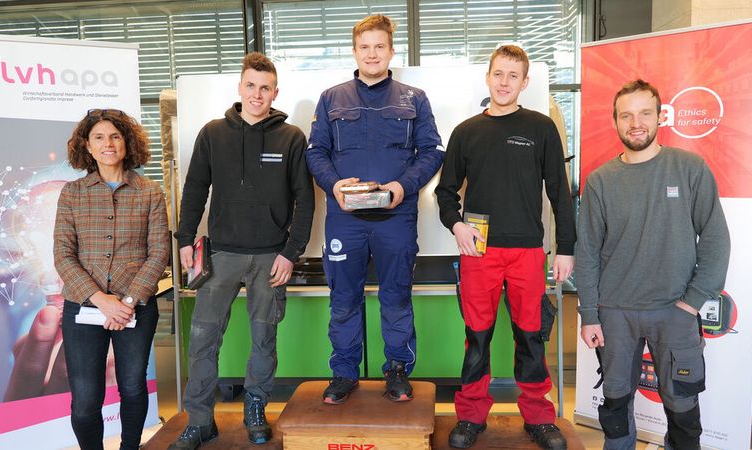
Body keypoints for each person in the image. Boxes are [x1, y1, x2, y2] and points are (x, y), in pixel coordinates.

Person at [575, 79, 730, 449]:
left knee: (682, 407)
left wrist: (691, 303)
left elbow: (716, 239)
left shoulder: (689, 168)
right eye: (626, 115)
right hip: (615, 313)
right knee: (614, 406)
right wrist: (590, 314)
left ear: (661, 116)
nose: (636, 122)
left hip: (674, 311)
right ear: (615, 121)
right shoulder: (599, 181)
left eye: (645, 113)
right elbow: (588, 254)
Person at [169, 52, 314, 449]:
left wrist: (291, 251)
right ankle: (200, 421)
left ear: (275, 92)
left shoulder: (292, 137)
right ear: (240, 87)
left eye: (265, 87)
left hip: (271, 258)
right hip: (221, 256)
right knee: (202, 338)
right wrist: (184, 239)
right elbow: (195, 189)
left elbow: (306, 199)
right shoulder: (213, 133)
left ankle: (255, 410)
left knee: (264, 339)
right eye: (250, 85)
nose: (257, 94)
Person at [435, 45, 575, 449]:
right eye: (498, 74)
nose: (504, 82)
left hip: (528, 252)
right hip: (479, 252)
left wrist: (565, 247)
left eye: (513, 76)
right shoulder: (466, 132)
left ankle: (539, 416)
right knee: (477, 335)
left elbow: (559, 193)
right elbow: (445, 192)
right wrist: (456, 225)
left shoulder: (540, 128)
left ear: (525, 82)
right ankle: (471, 415)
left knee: (531, 336)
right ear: (488, 77)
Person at [306, 14, 444, 404]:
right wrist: (333, 185)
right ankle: (344, 373)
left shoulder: (413, 98)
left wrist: (404, 185)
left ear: (391, 51)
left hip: (396, 219)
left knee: (396, 296)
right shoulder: (332, 98)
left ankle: (398, 371)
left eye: (379, 46)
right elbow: (315, 152)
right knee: (343, 299)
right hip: (345, 219)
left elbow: (432, 151)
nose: (372, 54)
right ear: (355, 51)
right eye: (364, 47)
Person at [54, 109, 170, 450]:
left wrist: (128, 302)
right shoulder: (72, 194)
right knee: (86, 398)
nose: (108, 143)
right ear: (87, 147)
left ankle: (130, 446)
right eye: (99, 137)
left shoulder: (149, 192)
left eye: (115, 136)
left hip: (136, 308)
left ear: (127, 142)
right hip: (84, 308)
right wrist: (101, 299)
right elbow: (63, 254)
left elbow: (158, 252)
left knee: (133, 386)